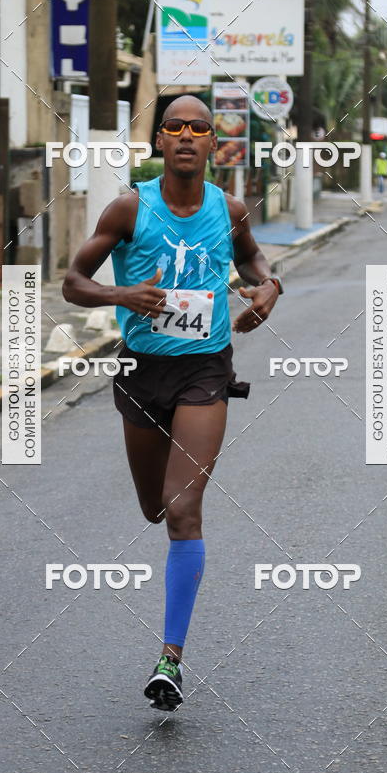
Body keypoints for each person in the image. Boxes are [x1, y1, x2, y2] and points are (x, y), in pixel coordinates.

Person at [62, 95, 282, 711]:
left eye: (200, 128)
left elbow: (254, 262)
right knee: (154, 509)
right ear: (159, 141)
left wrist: (270, 288)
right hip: (140, 369)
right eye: (175, 127)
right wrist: (121, 293)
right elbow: (72, 282)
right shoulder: (130, 207)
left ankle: (170, 661)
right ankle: (167, 542)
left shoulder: (229, 209)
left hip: (205, 370)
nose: (187, 136)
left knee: (184, 510)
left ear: (215, 142)